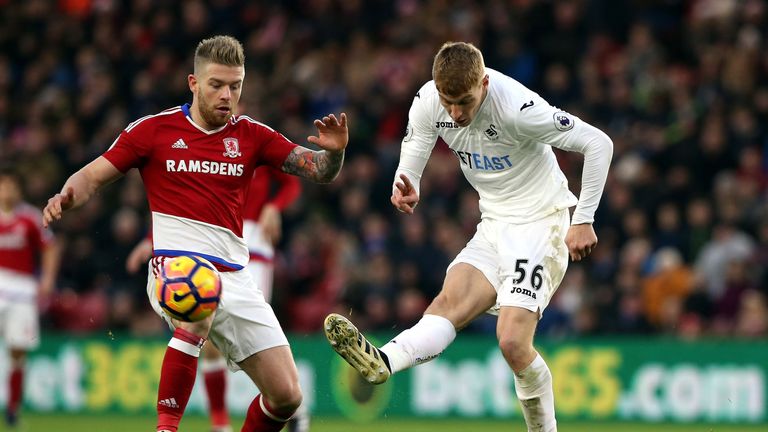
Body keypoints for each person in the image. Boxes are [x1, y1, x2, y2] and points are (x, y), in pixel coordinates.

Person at [43, 35, 348, 432]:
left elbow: (318, 170)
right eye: (216, 85)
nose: (227, 95)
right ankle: (166, 427)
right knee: (199, 295)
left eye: (235, 86)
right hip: (175, 264)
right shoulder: (153, 130)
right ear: (193, 83)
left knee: (287, 396)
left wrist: (335, 153)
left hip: (236, 275)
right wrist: (67, 196)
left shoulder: (252, 135)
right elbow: (93, 176)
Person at [324, 41, 612, 432]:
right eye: (448, 102)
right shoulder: (429, 100)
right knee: (449, 302)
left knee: (511, 341)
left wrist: (584, 218)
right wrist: (407, 181)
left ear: (485, 84)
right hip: (494, 222)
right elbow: (419, 139)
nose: (456, 113)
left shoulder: (518, 109)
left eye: (464, 101)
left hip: (541, 223)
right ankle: (385, 360)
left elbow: (598, 143)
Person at [126, 166, 308, 432]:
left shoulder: (255, 145)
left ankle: (295, 408)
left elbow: (292, 184)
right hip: (209, 246)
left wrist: (274, 206)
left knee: (260, 342)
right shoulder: (202, 153)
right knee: (206, 334)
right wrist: (151, 239)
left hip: (252, 250)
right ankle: (220, 424)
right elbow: (182, 203)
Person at [0, 169, 61, 427]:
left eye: (12, 185)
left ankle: (13, 409)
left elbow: (50, 247)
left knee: (18, 351)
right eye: (3, 185)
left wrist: (47, 279)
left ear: (19, 189)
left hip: (22, 292)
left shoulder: (30, 218)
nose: (7, 190)